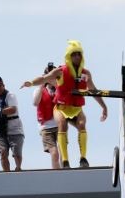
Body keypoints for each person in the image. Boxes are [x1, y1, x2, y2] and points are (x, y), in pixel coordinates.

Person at [21, 41, 108, 169]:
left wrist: (104, 107)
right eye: (74, 54)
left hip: (76, 108)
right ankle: (65, 161)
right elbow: (44, 78)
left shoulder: (86, 73)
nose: (77, 57)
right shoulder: (60, 71)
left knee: (82, 124)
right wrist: (30, 82)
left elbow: (94, 90)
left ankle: (83, 158)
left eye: (79, 54)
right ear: (69, 56)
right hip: (61, 107)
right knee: (62, 124)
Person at [33, 64, 61, 169]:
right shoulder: (39, 90)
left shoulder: (61, 88)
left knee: (63, 151)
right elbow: (35, 103)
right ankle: (57, 175)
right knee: (54, 153)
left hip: (60, 125)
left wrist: (58, 84)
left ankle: (65, 171)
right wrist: (41, 83)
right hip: (46, 128)